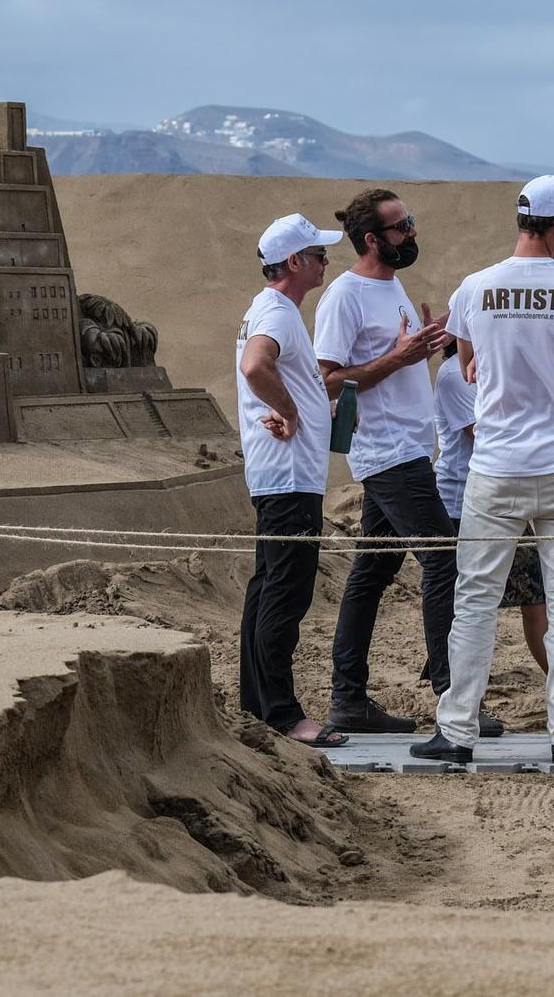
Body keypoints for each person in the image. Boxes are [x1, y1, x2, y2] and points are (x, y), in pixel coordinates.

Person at [411, 176, 554, 766]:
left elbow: (465, 366)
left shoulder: (475, 286)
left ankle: (458, 731)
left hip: (496, 464)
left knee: (474, 598)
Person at [312, 188, 466, 735]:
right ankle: (453, 699)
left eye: (413, 223)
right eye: (402, 227)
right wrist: (398, 356)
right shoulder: (344, 295)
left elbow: (392, 360)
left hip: (408, 447)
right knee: (444, 560)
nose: (413, 233)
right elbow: (327, 380)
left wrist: (425, 344)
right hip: (387, 451)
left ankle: (349, 699)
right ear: (372, 239)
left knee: (372, 572)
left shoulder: (392, 285)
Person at [236, 213, 346, 748]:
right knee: (286, 591)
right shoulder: (276, 313)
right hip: (288, 475)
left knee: (267, 588)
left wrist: (310, 404)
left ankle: (258, 705)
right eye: (319, 254)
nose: (327, 261)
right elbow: (256, 367)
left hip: (283, 474)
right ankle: (282, 714)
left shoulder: (275, 310)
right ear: (295, 262)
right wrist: (292, 412)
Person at [435, 339, 549, 681]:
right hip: (464, 503)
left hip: (504, 499)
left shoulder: (494, 369)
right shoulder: (454, 374)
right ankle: (454, 684)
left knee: (535, 594)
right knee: (468, 601)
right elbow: (486, 435)